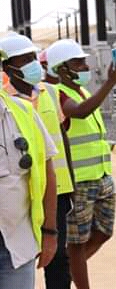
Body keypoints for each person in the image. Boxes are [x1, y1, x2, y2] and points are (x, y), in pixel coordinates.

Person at [46, 39, 116, 289]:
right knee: (77, 242)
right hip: (79, 180)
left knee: (104, 232)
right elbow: (79, 112)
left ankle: (69, 268)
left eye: (84, 61)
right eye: (77, 63)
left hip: (101, 175)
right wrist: (110, 82)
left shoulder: (84, 92)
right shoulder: (59, 95)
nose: (85, 66)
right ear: (61, 69)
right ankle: (78, 277)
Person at [0, 34, 74, 289]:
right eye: (25, 59)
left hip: (17, 243)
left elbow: (47, 168)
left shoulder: (23, 111)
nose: (32, 64)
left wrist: (50, 232)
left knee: (60, 265)